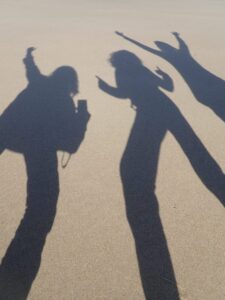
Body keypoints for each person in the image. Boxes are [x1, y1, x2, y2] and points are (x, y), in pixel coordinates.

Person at [97, 50, 225, 299]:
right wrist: (164, 76)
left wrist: (105, 88)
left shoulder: (122, 72)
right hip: (168, 107)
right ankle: (218, 183)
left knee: (136, 164)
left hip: (148, 115)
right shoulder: (142, 70)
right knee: (192, 146)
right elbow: (168, 86)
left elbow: (124, 94)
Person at [0, 48, 90, 299]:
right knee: (42, 206)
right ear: (72, 84)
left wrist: (28, 57)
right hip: (38, 147)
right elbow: (70, 144)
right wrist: (82, 118)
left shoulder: (40, 83)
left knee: (40, 202)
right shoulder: (63, 100)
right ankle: (18, 267)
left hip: (8, 132)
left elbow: (33, 72)